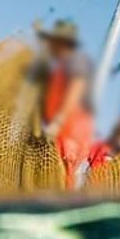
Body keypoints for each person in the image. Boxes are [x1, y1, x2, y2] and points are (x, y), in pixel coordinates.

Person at [33, 19, 96, 190]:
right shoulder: (60, 66)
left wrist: (58, 120)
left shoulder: (77, 60)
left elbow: (76, 88)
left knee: (63, 179)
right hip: (60, 133)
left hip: (71, 134)